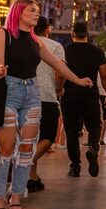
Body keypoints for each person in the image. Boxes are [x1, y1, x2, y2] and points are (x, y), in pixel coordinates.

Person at [0, 0, 92, 209]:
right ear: (18, 12)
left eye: (37, 11)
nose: (37, 14)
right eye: (32, 10)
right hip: (9, 92)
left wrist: (78, 80)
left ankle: (16, 196)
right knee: (5, 148)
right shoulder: (2, 34)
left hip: (32, 93)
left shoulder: (36, 41)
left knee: (27, 148)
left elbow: (57, 63)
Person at [62, 21, 106, 178]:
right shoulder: (97, 52)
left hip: (69, 95)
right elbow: (104, 75)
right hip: (90, 94)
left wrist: (59, 89)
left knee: (71, 131)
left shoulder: (65, 51)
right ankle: (92, 148)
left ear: (72, 33)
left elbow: (59, 73)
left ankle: (75, 166)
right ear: (88, 34)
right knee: (94, 126)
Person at [28, 16, 64, 193]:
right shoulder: (55, 46)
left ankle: (32, 177)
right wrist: (59, 88)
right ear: (48, 28)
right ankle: (22, 165)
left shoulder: (26, 42)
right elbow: (60, 73)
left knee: (30, 138)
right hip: (47, 96)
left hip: (24, 95)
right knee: (48, 136)